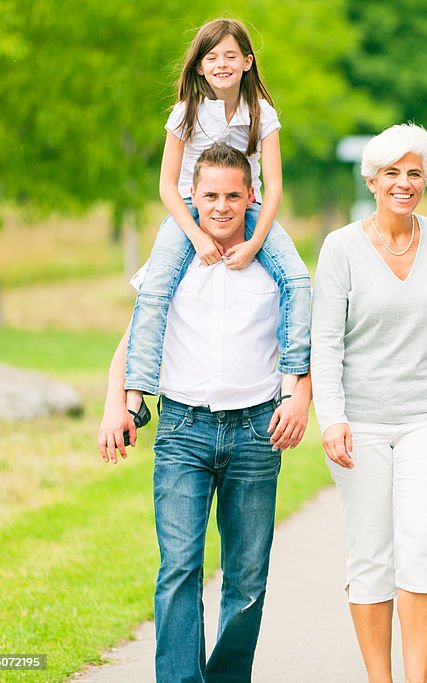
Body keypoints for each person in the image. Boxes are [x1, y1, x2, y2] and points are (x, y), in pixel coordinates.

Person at [97, 142, 312, 683]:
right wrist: (114, 405)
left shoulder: (273, 268)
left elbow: (300, 339)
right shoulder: (170, 263)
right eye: (210, 195)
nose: (221, 206)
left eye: (232, 196)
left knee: (247, 577)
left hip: (255, 431)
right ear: (191, 196)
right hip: (183, 429)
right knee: (178, 570)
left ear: (251, 197)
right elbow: (134, 338)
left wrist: (297, 395)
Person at [311, 123, 427, 683]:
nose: (405, 183)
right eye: (393, 174)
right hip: (360, 421)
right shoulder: (341, 248)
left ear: (425, 179)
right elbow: (324, 341)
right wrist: (331, 418)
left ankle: (417, 678)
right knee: (370, 552)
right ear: (372, 180)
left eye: (415, 173)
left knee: (422, 539)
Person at [124, 17, 311, 423]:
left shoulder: (261, 112)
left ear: (247, 62)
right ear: (199, 66)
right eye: (212, 57)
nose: (221, 64)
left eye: (230, 56)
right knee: (156, 288)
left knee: (296, 279)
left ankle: (289, 384)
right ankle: (135, 392)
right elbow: (167, 186)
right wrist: (195, 237)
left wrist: (255, 242)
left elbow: (274, 187)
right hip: (194, 208)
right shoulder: (184, 112)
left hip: (249, 206)